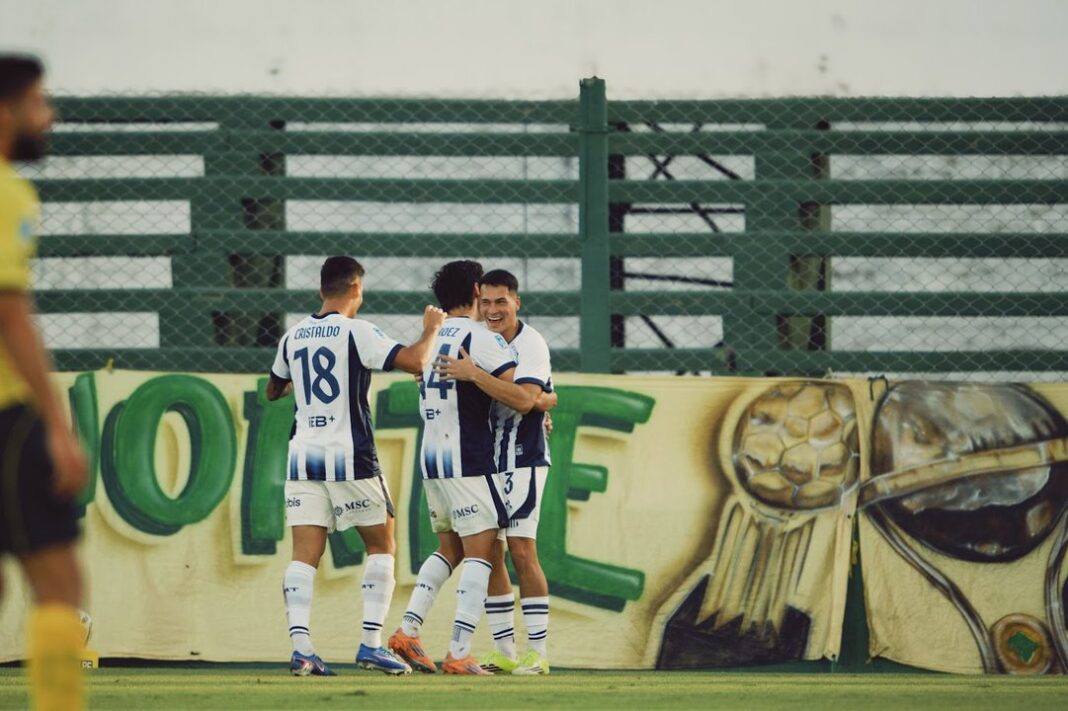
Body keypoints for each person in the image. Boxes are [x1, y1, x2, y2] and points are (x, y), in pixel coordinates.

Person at [266, 256, 445, 676]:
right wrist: (431, 329)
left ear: (321, 290)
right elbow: (415, 361)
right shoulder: (357, 332)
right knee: (382, 546)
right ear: (356, 289)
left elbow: (274, 389)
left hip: (303, 457)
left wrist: (300, 385)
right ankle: (370, 644)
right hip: (351, 456)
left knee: (303, 556)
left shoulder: (293, 336)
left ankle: (302, 650)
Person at [388, 261, 555, 675]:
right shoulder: (480, 338)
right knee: (484, 552)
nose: (493, 309)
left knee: (460, 549)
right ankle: (460, 652)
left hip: (439, 459)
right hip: (471, 458)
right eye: (487, 299)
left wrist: (541, 400)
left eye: (502, 302)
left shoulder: (430, 340)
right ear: (476, 293)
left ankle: (410, 629)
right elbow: (522, 396)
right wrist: (540, 400)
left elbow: (526, 397)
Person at [0, 54, 90, 710]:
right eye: (39, 102)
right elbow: (9, 311)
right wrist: (57, 424)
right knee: (59, 585)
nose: (49, 116)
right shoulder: (9, 194)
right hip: (6, 412)